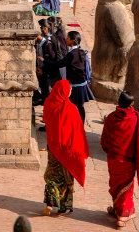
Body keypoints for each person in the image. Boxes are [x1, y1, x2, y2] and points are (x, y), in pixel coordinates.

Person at [101, 91, 139, 228]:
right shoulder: (136, 118)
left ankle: (117, 210)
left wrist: (109, 150)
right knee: (126, 190)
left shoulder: (111, 118)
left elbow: (104, 140)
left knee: (115, 186)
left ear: (118, 102)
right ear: (132, 104)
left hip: (113, 159)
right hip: (128, 161)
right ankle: (123, 216)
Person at [42, 80, 89, 216]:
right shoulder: (71, 109)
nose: (70, 91)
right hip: (67, 150)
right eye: (69, 89)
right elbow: (78, 131)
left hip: (52, 146)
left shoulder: (48, 103)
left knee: (53, 175)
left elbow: (45, 119)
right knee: (67, 178)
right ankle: (65, 207)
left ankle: (50, 203)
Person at [39, 31, 94, 123]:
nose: (66, 39)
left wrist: (45, 60)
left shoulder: (72, 54)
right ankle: (79, 124)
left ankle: (70, 124)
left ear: (72, 41)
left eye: (67, 38)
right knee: (80, 106)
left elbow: (60, 64)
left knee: (70, 105)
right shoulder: (80, 51)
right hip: (81, 83)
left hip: (76, 85)